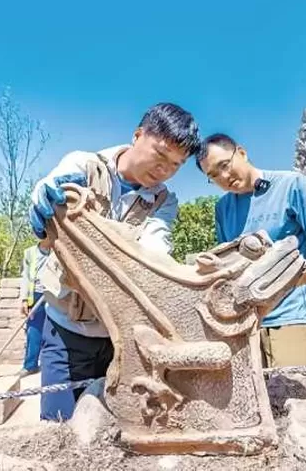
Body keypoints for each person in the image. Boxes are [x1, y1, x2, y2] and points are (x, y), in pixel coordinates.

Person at [28, 102, 200, 420]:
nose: (165, 170)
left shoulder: (164, 201)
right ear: (137, 135)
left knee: (116, 425)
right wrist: (43, 200)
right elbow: (51, 189)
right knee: (57, 426)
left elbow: (153, 252)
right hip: (67, 330)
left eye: (176, 165)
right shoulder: (86, 167)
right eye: (160, 155)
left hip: (118, 333)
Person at [195, 133, 306, 367]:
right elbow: (230, 269)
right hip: (247, 325)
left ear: (241, 152)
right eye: (213, 175)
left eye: (224, 166)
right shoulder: (223, 208)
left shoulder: (291, 185)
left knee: (293, 398)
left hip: (293, 317)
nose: (224, 177)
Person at [17, 239, 51, 378]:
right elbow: (25, 276)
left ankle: (51, 366)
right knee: (34, 331)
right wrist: (24, 299)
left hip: (55, 295)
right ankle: (30, 365)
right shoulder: (30, 253)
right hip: (36, 295)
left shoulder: (58, 250)